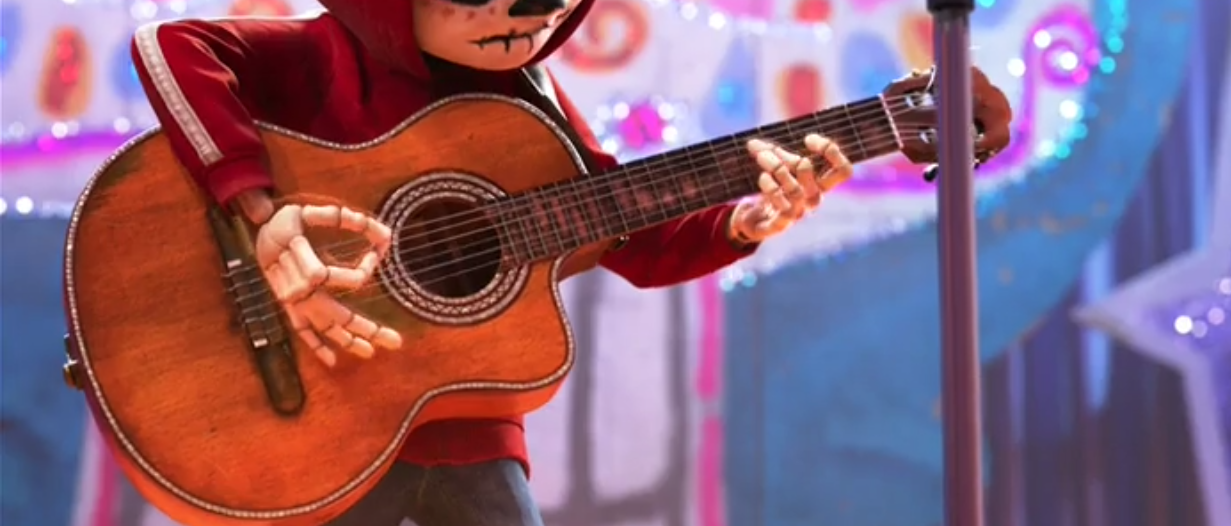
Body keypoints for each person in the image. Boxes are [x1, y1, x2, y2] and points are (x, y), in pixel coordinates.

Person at [129, 0, 856, 522]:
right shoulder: (326, 55)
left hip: (470, 428)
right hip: (314, 421)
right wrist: (257, 210)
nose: (524, 15)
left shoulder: (529, 102)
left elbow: (630, 236)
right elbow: (171, 47)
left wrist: (744, 222)